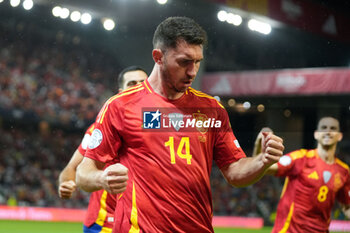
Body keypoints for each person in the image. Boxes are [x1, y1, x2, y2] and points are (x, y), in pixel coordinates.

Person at [76, 16, 284, 233]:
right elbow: (83, 173)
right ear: (158, 57)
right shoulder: (121, 106)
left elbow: (234, 171)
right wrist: (102, 178)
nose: (193, 71)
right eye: (184, 62)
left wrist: (262, 161)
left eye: (198, 62)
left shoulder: (212, 110)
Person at [58, 66, 148, 233]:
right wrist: (65, 184)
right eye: (132, 83)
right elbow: (71, 168)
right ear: (121, 92)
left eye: (142, 83)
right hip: (105, 224)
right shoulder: (99, 129)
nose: (138, 87)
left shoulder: (161, 130)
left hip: (143, 224)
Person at [253, 117, 350, 232]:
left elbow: (347, 206)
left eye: (332, 128)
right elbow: (264, 167)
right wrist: (258, 144)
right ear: (316, 134)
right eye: (323, 128)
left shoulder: (343, 171)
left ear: (339, 136)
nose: (328, 132)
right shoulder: (300, 158)